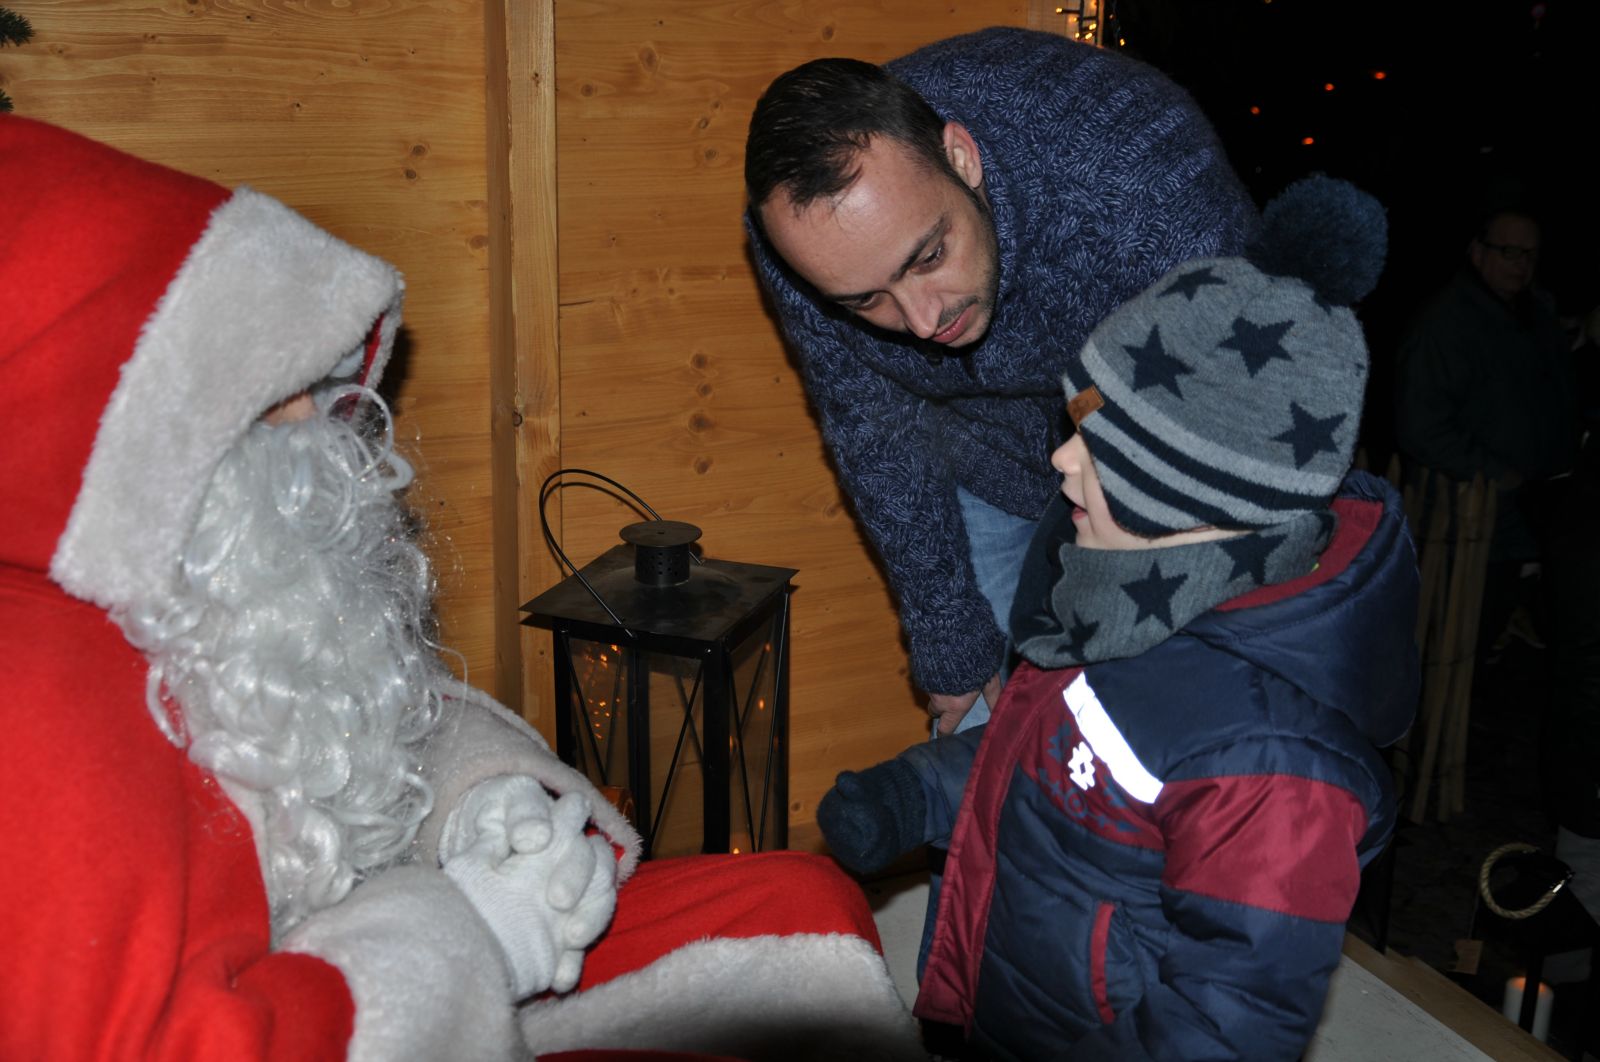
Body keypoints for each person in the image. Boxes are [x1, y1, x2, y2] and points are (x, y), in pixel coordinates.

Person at [0, 115, 921, 1061]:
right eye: (274, 397)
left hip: (411, 951)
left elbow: (347, 723)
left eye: (315, 384)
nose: (320, 422)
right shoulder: (38, 717)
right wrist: (473, 932)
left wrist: (488, 805)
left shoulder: (201, 577)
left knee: (798, 907)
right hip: (391, 1006)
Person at [814, 177, 1418, 1059]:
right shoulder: (1119, 597)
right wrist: (914, 795)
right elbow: (1045, 759)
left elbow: (1225, 1028)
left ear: (1187, 490)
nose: (1061, 459)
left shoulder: (1270, 762)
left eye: (1096, 445)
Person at [744, 27, 1257, 734]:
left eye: (928, 257)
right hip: (986, 461)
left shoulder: (1137, 172)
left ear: (962, 157)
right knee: (983, 732)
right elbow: (876, 431)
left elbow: (1238, 414)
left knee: (1165, 724)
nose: (922, 321)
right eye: (866, 301)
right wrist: (950, 632)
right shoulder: (804, 247)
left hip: (1167, 456)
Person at [1394, 208, 1581, 651]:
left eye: (1530, 254)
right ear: (1478, 253)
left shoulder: (1533, 314)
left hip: (1537, 516)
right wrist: (1498, 475)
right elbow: (1421, 426)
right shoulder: (1445, 325)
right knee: (1457, 643)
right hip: (1470, 522)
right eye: (1509, 251)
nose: (1521, 264)